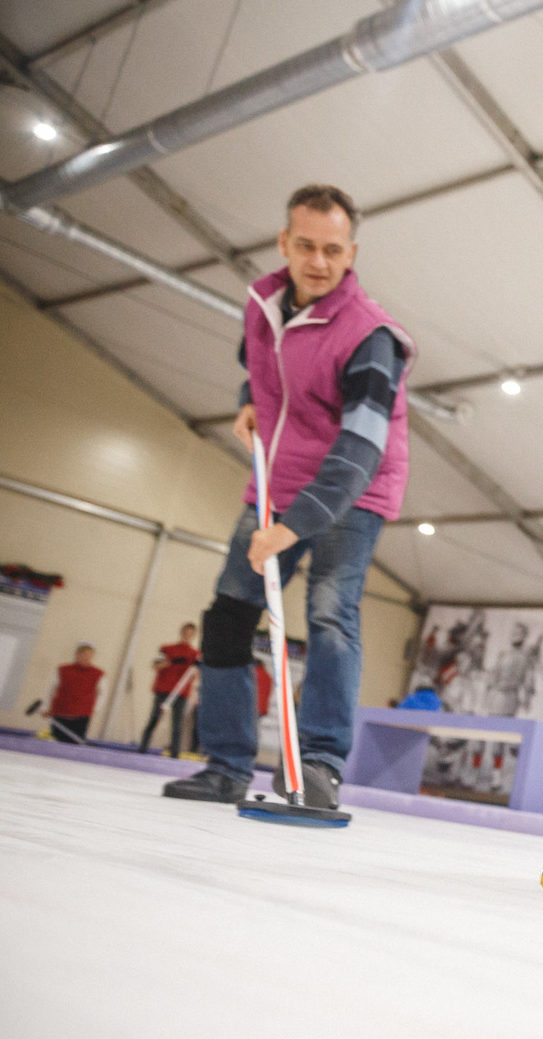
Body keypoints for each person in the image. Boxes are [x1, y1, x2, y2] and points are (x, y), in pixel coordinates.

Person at [163, 184, 412, 810]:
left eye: (333, 249)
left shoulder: (370, 337)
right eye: (306, 246)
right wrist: (247, 397)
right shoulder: (263, 303)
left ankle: (320, 764)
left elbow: (359, 451)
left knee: (330, 615)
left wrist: (291, 526)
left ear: (351, 252)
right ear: (284, 243)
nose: (319, 262)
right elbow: (260, 358)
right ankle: (225, 764)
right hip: (275, 476)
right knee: (228, 615)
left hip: (352, 490)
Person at [139, 623, 199, 756]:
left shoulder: (195, 654)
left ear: (193, 635)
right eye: (185, 632)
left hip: (181, 692)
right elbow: (156, 665)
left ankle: (175, 754)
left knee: (177, 724)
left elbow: (198, 674)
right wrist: (171, 662)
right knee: (154, 719)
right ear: (181, 632)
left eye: (190, 633)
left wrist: (197, 665)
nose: (187, 635)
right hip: (164, 689)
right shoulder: (167, 649)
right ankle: (142, 749)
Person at [48, 642, 102, 743]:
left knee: (75, 742)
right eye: (84, 655)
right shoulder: (63, 669)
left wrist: (95, 709)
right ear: (78, 654)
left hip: (82, 715)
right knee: (56, 740)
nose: (87, 658)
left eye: (90, 655)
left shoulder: (98, 673)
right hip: (60, 711)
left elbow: (102, 694)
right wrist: (47, 707)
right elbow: (51, 689)